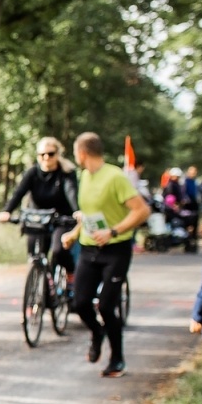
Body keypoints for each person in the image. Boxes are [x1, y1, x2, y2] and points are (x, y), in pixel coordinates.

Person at [62, 132, 149, 377]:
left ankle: (117, 358)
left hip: (115, 250)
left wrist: (114, 231)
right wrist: (73, 233)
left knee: (107, 306)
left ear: (82, 153)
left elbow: (142, 211)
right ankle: (97, 333)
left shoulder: (115, 177)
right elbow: (90, 213)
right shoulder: (84, 176)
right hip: (89, 248)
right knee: (80, 303)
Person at [0, 137, 78, 276]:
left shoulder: (66, 173)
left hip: (61, 218)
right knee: (34, 254)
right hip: (37, 218)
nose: (46, 157)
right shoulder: (32, 173)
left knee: (59, 251)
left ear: (57, 154)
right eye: (42, 154)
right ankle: (40, 283)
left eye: (51, 154)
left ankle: (70, 278)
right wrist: (6, 211)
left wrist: (77, 211)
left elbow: (71, 192)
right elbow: (19, 193)